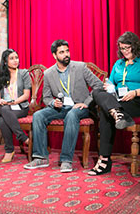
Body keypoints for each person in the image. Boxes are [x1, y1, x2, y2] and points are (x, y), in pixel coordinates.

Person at [23, 39, 103, 173]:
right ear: (54, 55)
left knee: (72, 115)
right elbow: (47, 97)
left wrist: (87, 102)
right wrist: (53, 103)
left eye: (67, 51)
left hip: (80, 107)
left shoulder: (80, 67)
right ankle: (40, 157)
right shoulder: (48, 73)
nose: (66, 54)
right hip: (61, 108)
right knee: (38, 115)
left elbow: (99, 85)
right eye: (61, 52)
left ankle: (66, 160)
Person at [88, 31, 140, 176]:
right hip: (119, 100)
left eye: (127, 48)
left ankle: (104, 160)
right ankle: (118, 113)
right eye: (122, 48)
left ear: (135, 46)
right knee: (96, 92)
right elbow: (111, 81)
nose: (124, 51)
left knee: (105, 111)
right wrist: (109, 86)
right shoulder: (119, 63)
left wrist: (135, 92)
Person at [0, 49, 31, 163]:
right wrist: (1, 101)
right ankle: (23, 138)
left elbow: (26, 95)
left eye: (16, 58)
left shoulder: (23, 73)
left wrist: (14, 102)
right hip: (4, 107)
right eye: (12, 58)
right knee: (4, 109)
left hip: (20, 106)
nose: (15, 61)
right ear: (5, 61)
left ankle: (9, 151)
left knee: (2, 121)